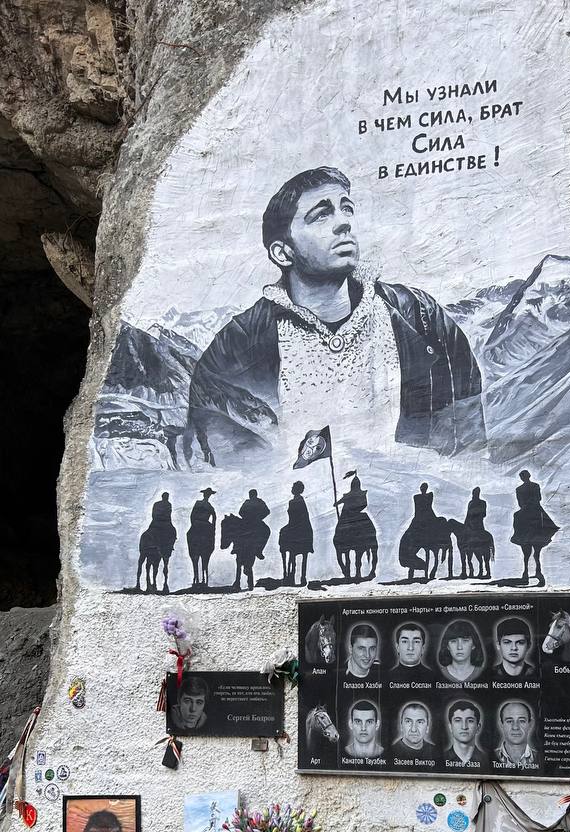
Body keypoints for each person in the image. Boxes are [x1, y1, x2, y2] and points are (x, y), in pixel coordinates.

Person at [187, 167, 484, 459]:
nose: (344, 223)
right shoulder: (236, 347)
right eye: (321, 215)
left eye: (347, 209)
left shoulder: (420, 316)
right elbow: (223, 463)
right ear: (283, 253)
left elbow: (469, 445)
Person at [510, 470, 559, 587]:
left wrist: (527, 505)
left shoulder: (520, 489)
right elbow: (538, 498)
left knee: (517, 516)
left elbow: (521, 503)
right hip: (534, 509)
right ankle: (536, 570)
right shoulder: (533, 486)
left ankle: (518, 535)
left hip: (529, 510)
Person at [279, 480, 314, 585]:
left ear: (296, 489)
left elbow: (296, 517)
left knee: (283, 533)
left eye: (293, 487)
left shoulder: (294, 502)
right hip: (300, 526)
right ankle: (297, 576)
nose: (292, 489)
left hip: (296, 526)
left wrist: (292, 526)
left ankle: (291, 575)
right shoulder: (299, 501)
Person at [494, 700, 539, 769]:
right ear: (501, 724)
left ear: (530, 724)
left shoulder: (541, 758)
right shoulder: (488, 757)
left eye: (521, 721)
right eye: (509, 721)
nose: (515, 727)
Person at [446, 700, 489, 767]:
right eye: (458, 720)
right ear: (450, 727)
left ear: (478, 728)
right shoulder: (440, 760)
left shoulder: (488, 761)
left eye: (470, 721)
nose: (464, 727)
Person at [238, 488, 271, 559]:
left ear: (255, 495)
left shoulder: (259, 502)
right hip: (248, 522)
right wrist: (247, 517)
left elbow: (267, 511)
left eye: (252, 495)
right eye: (250, 495)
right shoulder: (248, 502)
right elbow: (240, 512)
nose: (251, 496)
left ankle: (259, 550)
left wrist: (259, 517)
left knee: (267, 531)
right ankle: (236, 547)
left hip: (256, 522)